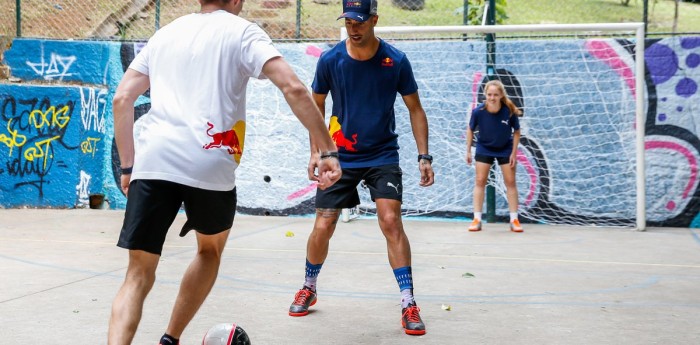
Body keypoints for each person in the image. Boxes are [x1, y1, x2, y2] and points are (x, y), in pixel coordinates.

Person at [107, 0, 342, 344]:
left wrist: (128, 165)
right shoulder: (243, 32)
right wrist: (326, 148)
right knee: (209, 252)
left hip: (154, 160)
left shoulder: (165, 34)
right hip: (210, 162)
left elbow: (122, 99)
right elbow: (292, 87)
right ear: (237, 1)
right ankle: (170, 338)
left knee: (137, 274)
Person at [287, 0, 434, 336]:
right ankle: (309, 286)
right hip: (339, 156)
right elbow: (315, 106)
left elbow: (415, 109)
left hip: (383, 154)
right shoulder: (330, 60)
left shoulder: (395, 61)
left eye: (359, 21)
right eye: (348, 21)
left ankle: (408, 302)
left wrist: (424, 156)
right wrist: (318, 153)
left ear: (374, 20)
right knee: (324, 223)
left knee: (390, 221)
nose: (353, 28)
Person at [465, 79, 523, 232]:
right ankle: (477, 218)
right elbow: (470, 129)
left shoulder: (509, 111)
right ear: (485, 95)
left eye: (495, 95)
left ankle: (514, 219)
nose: (492, 98)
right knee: (480, 181)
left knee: (510, 182)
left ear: (501, 95)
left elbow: (517, 132)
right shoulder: (478, 112)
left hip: (505, 148)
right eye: (489, 94)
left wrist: (513, 153)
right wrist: (468, 151)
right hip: (484, 148)